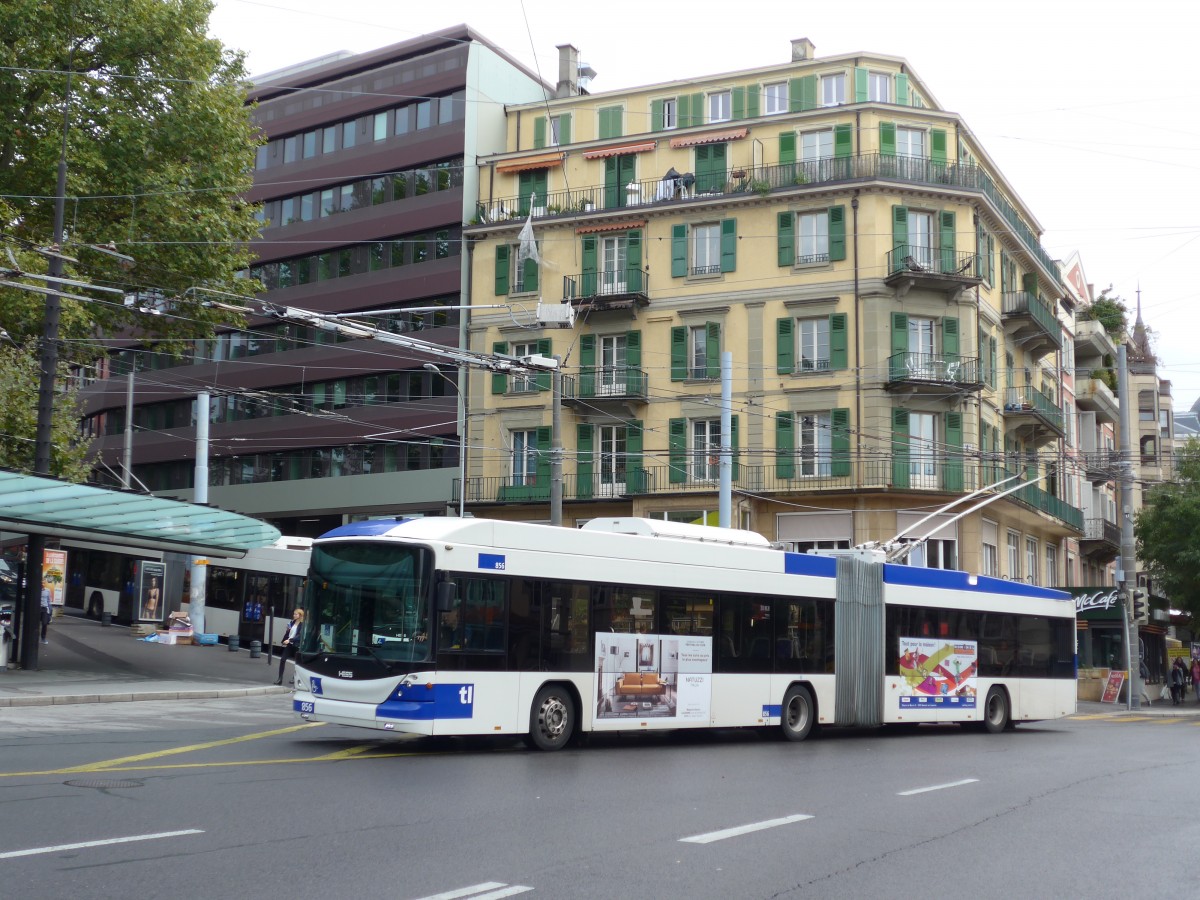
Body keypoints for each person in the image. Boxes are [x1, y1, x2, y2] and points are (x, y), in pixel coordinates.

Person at [275, 608, 305, 685]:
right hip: (289, 644)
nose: (294, 615)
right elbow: (288, 633)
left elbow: (299, 636)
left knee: (297, 663)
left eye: (296, 614)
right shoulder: (292, 622)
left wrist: (290, 640)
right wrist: (287, 631)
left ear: (300, 615)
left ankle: (294, 677)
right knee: (282, 660)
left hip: (296, 645)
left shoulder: (302, 624)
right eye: (294, 614)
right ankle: (280, 679)